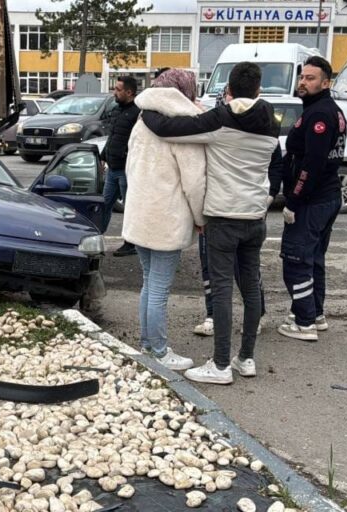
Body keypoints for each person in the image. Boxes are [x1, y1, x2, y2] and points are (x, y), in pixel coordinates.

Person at [139, 62, 280, 385]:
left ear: (228, 89)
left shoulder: (221, 121)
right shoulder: (271, 124)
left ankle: (219, 366)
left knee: (221, 291)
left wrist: (146, 109)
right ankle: (246, 359)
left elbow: (167, 129)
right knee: (251, 287)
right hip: (255, 218)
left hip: (223, 218)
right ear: (259, 89)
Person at [123, 69, 207, 370]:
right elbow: (194, 183)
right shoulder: (184, 127)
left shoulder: (142, 120)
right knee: (158, 288)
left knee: (149, 283)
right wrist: (200, 217)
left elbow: (130, 166)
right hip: (167, 218)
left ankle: (148, 345)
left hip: (140, 214)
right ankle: (158, 351)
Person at [193, 86, 280, 338]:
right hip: (220, 209)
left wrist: (269, 196)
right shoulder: (218, 125)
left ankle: (252, 320)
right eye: (228, 97)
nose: (231, 101)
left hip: (238, 212)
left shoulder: (263, 125)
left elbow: (276, 165)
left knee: (245, 276)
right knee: (213, 271)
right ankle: (214, 317)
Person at [277, 56, 346, 343]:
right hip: (325, 197)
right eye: (302, 77)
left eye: (310, 78)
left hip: (312, 200)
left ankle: (304, 322)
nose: (303, 82)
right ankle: (314, 313)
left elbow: (313, 164)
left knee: (296, 260)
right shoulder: (325, 109)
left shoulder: (320, 114)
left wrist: (294, 200)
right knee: (314, 259)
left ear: (326, 83)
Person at [101, 76, 140, 257]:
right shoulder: (117, 110)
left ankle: (130, 244)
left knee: (130, 209)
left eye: (118, 89)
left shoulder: (137, 113)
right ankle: (96, 238)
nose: (114, 92)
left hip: (126, 170)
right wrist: (103, 156)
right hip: (112, 168)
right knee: (105, 204)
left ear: (129, 92)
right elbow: (113, 137)